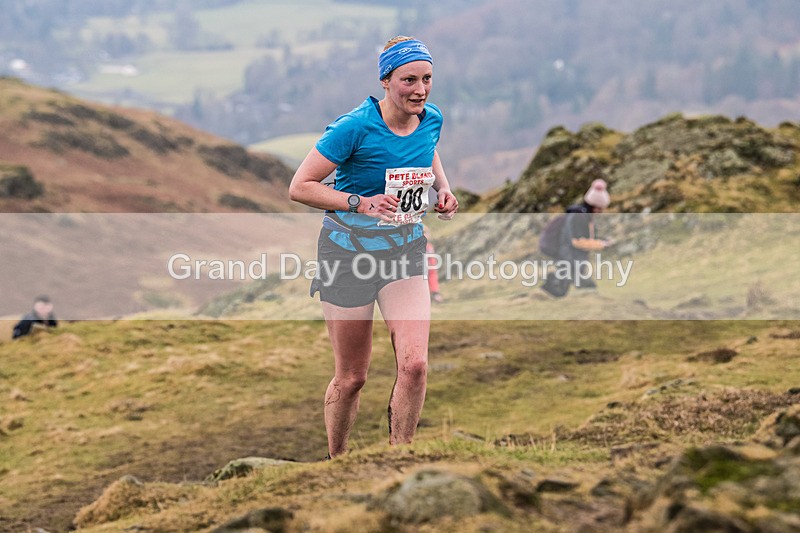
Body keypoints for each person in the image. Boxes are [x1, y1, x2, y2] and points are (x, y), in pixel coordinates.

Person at [288, 36, 458, 458]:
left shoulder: (431, 117)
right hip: (347, 254)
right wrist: (359, 203)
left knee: (415, 365)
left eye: (427, 78)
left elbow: (427, 151)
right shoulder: (353, 127)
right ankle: (338, 462)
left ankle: (399, 457)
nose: (419, 89)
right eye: (408, 80)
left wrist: (443, 188)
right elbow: (300, 187)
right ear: (386, 80)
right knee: (351, 377)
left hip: (405, 251)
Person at [541, 179, 611, 297]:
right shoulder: (579, 217)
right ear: (595, 206)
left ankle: (546, 289)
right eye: (600, 208)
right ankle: (546, 289)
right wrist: (601, 245)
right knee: (586, 287)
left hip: (570, 259)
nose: (601, 212)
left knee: (561, 290)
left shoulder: (581, 216)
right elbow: (577, 241)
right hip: (570, 259)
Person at [423, 226, 443, 303]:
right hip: (419, 268)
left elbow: (432, 257)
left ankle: (435, 294)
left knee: (432, 278)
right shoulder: (416, 246)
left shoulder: (429, 246)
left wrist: (433, 265)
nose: (424, 235)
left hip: (429, 267)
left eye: (425, 233)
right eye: (422, 233)